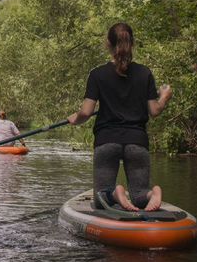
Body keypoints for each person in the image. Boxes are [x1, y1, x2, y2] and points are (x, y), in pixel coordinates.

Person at [67, 22, 173, 212]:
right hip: (137, 141)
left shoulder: (97, 75)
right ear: (132, 43)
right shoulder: (144, 73)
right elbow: (154, 110)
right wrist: (164, 97)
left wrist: (75, 118)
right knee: (140, 195)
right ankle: (152, 194)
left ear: (108, 44)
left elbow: (86, 111)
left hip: (107, 141)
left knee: (101, 200)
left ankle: (115, 194)